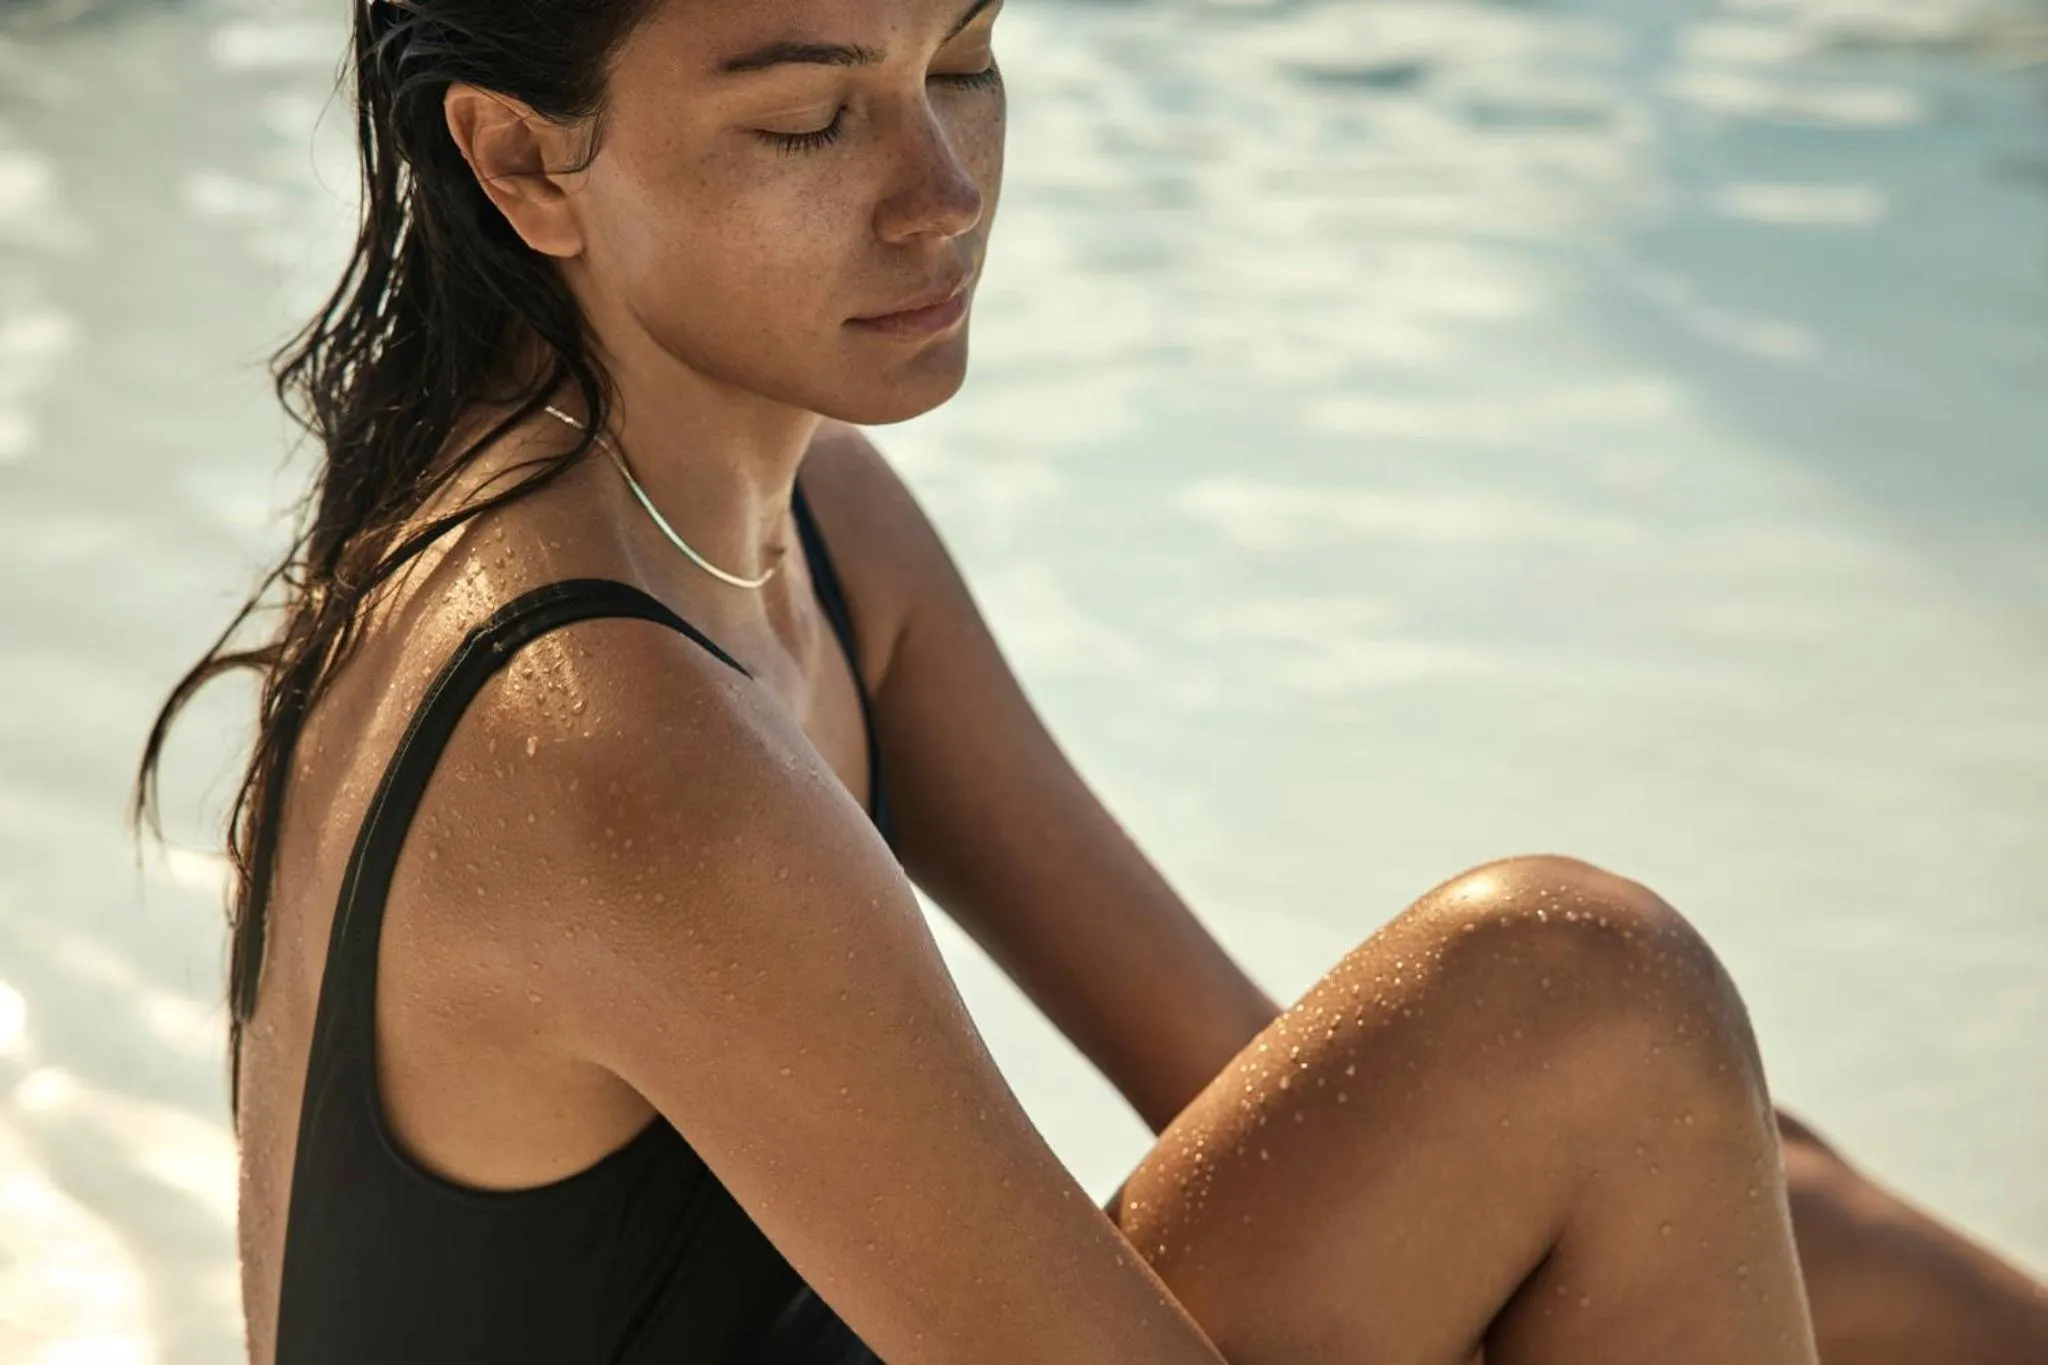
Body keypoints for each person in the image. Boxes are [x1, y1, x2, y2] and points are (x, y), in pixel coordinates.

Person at [129, 0, 2047, 1361]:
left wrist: (1731, 1219)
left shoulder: (806, 527)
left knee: (1732, 1159)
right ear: (525, 157)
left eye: (965, 57)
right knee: (1581, 987)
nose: (942, 185)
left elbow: (1230, 1062)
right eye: (813, 121)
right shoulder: (606, 746)